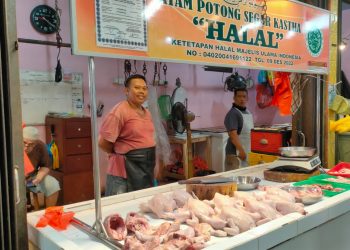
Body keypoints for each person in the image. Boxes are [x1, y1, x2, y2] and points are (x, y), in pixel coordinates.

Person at [99, 74, 156, 196]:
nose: (141, 91)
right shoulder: (119, 111)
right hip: (122, 174)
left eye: (144, 88)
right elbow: (103, 143)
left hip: (144, 170)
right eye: (137, 87)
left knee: (140, 207)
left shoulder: (147, 113)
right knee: (118, 211)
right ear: (126, 90)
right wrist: (121, 153)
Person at [23, 126, 60, 208]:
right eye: (24, 142)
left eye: (31, 144)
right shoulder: (12, 144)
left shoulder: (40, 145)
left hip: (30, 179)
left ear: (36, 143)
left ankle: (48, 215)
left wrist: (38, 179)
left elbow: (45, 166)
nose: (26, 147)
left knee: (52, 184)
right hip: (15, 180)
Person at [224, 88, 254, 170]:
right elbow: (233, 135)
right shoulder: (233, 114)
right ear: (234, 98)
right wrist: (241, 151)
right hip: (236, 153)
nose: (242, 99)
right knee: (234, 179)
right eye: (239, 96)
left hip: (246, 151)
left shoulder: (248, 112)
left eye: (244, 96)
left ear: (247, 98)